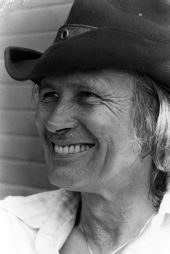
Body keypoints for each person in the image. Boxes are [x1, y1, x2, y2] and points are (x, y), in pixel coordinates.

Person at [1, 0, 170, 253]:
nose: (54, 123)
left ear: (156, 121)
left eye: (88, 96)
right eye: (49, 95)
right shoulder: (10, 227)